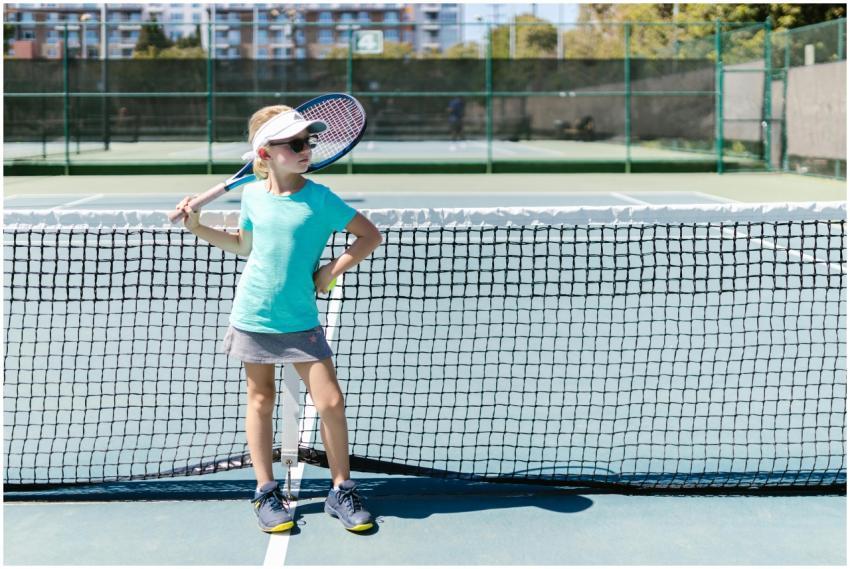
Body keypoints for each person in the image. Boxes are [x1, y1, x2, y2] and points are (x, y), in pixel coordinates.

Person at [176, 105, 383, 533]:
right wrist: (197, 225)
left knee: (330, 402)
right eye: (294, 143)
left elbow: (369, 236)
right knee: (261, 400)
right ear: (266, 152)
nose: (306, 149)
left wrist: (329, 272)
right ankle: (266, 490)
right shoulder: (251, 193)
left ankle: (341, 489)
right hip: (253, 314)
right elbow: (244, 245)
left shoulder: (321, 198)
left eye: (308, 142)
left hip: (301, 318)